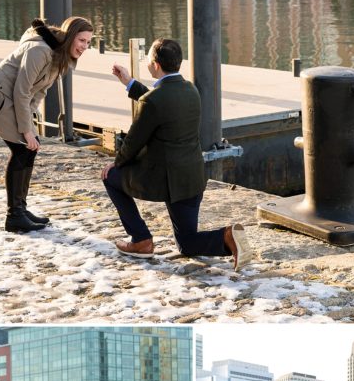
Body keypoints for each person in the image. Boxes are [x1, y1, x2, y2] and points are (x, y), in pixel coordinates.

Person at [102, 38, 251, 268]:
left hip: (166, 180)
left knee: (111, 178)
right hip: (192, 178)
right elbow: (161, 103)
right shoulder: (190, 90)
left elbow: (133, 140)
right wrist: (129, 82)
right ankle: (226, 237)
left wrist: (116, 163)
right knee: (187, 244)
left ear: (155, 64)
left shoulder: (153, 101)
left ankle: (141, 240)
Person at [0, 16, 94, 232]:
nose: (85, 47)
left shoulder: (60, 57)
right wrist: (26, 130)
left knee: (29, 148)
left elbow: (39, 91)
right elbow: (22, 90)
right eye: (82, 40)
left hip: (13, 96)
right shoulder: (41, 51)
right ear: (71, 36)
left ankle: (21, 210)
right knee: (22, 149)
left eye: (89, 43)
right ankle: (14, 215)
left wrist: (30, 124)